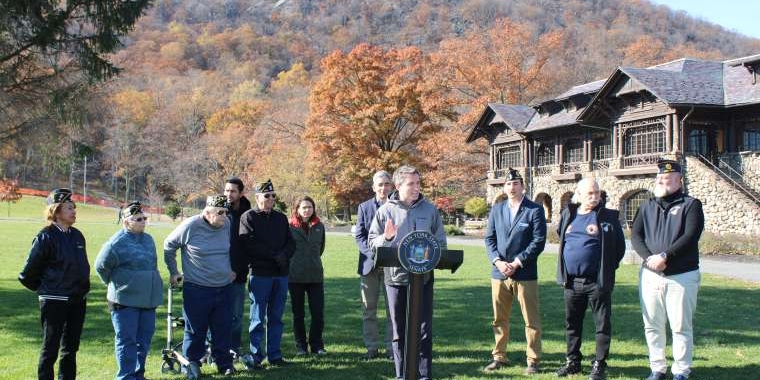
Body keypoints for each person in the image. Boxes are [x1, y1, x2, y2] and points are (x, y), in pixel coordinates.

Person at [369, 165, 447, 380]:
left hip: (423, 279)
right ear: (398, 185)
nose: (416, 187)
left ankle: (424, 375)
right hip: (396, 279)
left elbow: (441, 242)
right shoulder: (385, 210)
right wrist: (386, 238)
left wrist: (435, 252)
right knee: (399, 331)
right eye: (411, 183)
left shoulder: (430, 210)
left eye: (418, 183)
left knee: (424, 330)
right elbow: (372, 241)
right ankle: (401, 374)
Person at [632, 159, 704, 380]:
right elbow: (636, 235)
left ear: (679, 180)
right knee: (652, 324)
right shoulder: (647, 205)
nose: (662, 181)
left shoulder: (691, 205)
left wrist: (665, 256)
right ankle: (658, 368)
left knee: (681, 325)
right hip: (651, 275)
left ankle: (681, 370)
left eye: (668, 178)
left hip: (681, 276)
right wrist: (649, 259)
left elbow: (690, 236)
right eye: (660, 178)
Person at [554, 179, 625, 380]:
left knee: (602, 324)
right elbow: (562, 236)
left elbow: (619, 248)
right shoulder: (569, 214)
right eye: (590, 193)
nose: (594, 197)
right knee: (572, 323)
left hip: (597, 282)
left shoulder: (607, 216)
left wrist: (606, 269)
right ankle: (573, 362)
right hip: (572, 282)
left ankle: (599, 364)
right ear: (579, 193)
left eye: (597, 193)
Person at [18, 188, 90, 380]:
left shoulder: (77, 235)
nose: (74, 211)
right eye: (69, 207)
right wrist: (48, 290)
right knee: (50, 348)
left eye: (74, 207)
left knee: (71, 349)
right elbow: (27, 274)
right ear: (56, 211)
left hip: (77, 300)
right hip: (54, 301)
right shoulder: (46, 237)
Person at [164, 195, 236, 378]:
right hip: (197, 288)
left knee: (223, 328)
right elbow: (169, 245)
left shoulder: (226, 223)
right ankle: (192, 364)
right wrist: (174, 272)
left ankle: (224, 363)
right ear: (207, 211)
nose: (224, 216)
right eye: (220, 212)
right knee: (195, 330)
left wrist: (230, 269)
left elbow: (228, 249)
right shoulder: (191, 225)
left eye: (226, 212)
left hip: (225, 287)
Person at [483, 168, 546, 375]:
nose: (512, 187)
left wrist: (517, 262)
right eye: (509, 184)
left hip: (525, 273)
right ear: (504, 187)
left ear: (522, 186)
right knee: (499, 319)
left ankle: (533, 360)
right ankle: (499, 357)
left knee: (531, 320)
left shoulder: (534, 210)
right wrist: (498, 262)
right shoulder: (497, 209)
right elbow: (489, 239)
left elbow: (538, 241)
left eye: (516, 183)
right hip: (499, 273)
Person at [95, 201, 163, 380]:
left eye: (144, 218)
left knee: (144, 341)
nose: (142, 221)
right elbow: (100, 266)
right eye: (137, 219)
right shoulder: (116, 243)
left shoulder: (148, 239)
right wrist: (114, 284)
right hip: (125, 301)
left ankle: (138, 375)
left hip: (148, 301)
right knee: (127, 341)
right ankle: (125, 376)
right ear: (126, 222)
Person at [239, 179, 295, 370]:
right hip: (260, 274)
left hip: (281, 274)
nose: (271, 198)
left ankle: (275, 355)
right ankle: (256, 356)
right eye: (267, 195)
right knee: (257, 318)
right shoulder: (248, 217)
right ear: (257, 197)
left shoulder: (280, 218)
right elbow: (248, 244)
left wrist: (284, 255)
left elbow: (291, 242)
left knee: (276, 317)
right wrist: (273, 255)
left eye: (273, 195)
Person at [355, 170, 394, 360]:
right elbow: (360, 237)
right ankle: (371, 347)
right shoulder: (363, 207)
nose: (383, 188)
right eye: (380, 184)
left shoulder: (398, 207)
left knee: (392, 310)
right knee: (368, 310)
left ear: (391, 186)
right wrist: (374, 254)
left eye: (387, 184)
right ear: (374, 187)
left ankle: (391, 348)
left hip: (393, 266)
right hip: (369, 265)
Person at [288, 196, 327, 355]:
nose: (307, 210)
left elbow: (321, 248)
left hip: (315, 276)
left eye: (309, 207)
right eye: (303, 207)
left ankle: (317, 345)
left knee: (317, 313)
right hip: (295, 276)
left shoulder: (319, 226)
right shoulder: (290, 226)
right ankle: (301, 347)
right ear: (297, 209)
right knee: (298, 314)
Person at [223, 177, 252, 358]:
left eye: (233, 191)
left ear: (241, 193)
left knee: (235, 315)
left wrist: (239, 269)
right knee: (215, 314)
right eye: (226, 190)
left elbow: (248, 244)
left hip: (238, 272)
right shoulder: (217, 210)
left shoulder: (247, 214)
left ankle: (234, 347)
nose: (228, 194)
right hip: (217, 271)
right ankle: (215, 348)